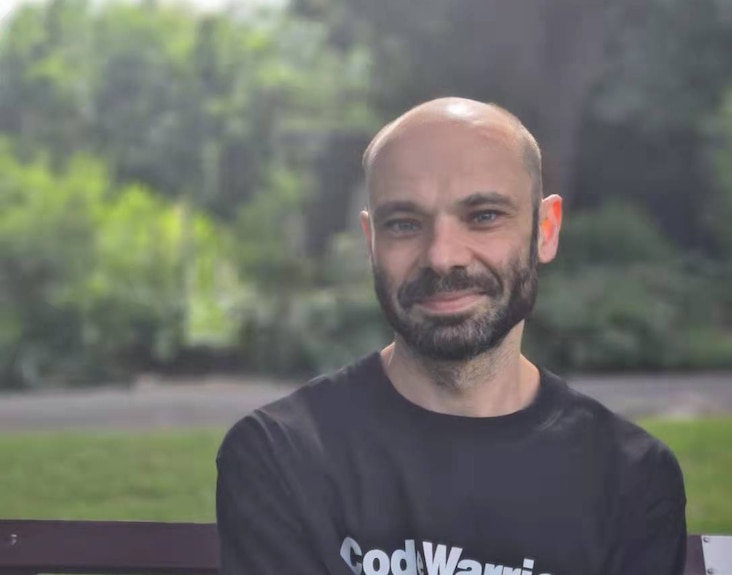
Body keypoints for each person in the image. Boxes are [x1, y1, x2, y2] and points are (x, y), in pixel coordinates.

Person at [216, 97, 688, 575]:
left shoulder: (630, 478)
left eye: (483, 215)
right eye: (404, 224)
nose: (442, 257)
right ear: (371, 242)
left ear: (545, 229)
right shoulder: (281, 456)